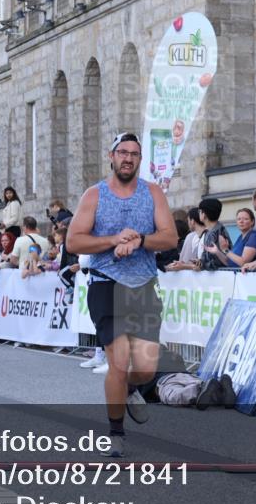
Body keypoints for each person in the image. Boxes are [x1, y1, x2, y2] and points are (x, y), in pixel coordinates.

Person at [66, 132, 177, 458]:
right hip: (106, 284)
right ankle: (116, 433)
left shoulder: (152, 193)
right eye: (123, 152)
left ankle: (129, 389)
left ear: (140, 160)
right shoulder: (94, 195)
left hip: (143, 286)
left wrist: (140, 240)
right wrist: (114, 239)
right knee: (118, 360)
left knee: (144, 369)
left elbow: (170, 237)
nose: (128, 158)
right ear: (111, 156)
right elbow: (74, 243)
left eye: (135, 154)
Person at [197, 198, 232, 271]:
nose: (198, 213)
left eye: (199, 211)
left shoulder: (217, 232)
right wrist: (199, 262)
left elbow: (217, 263)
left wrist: (201, 266)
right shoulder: (209, 231)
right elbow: (206, 256)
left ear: (204, 214)